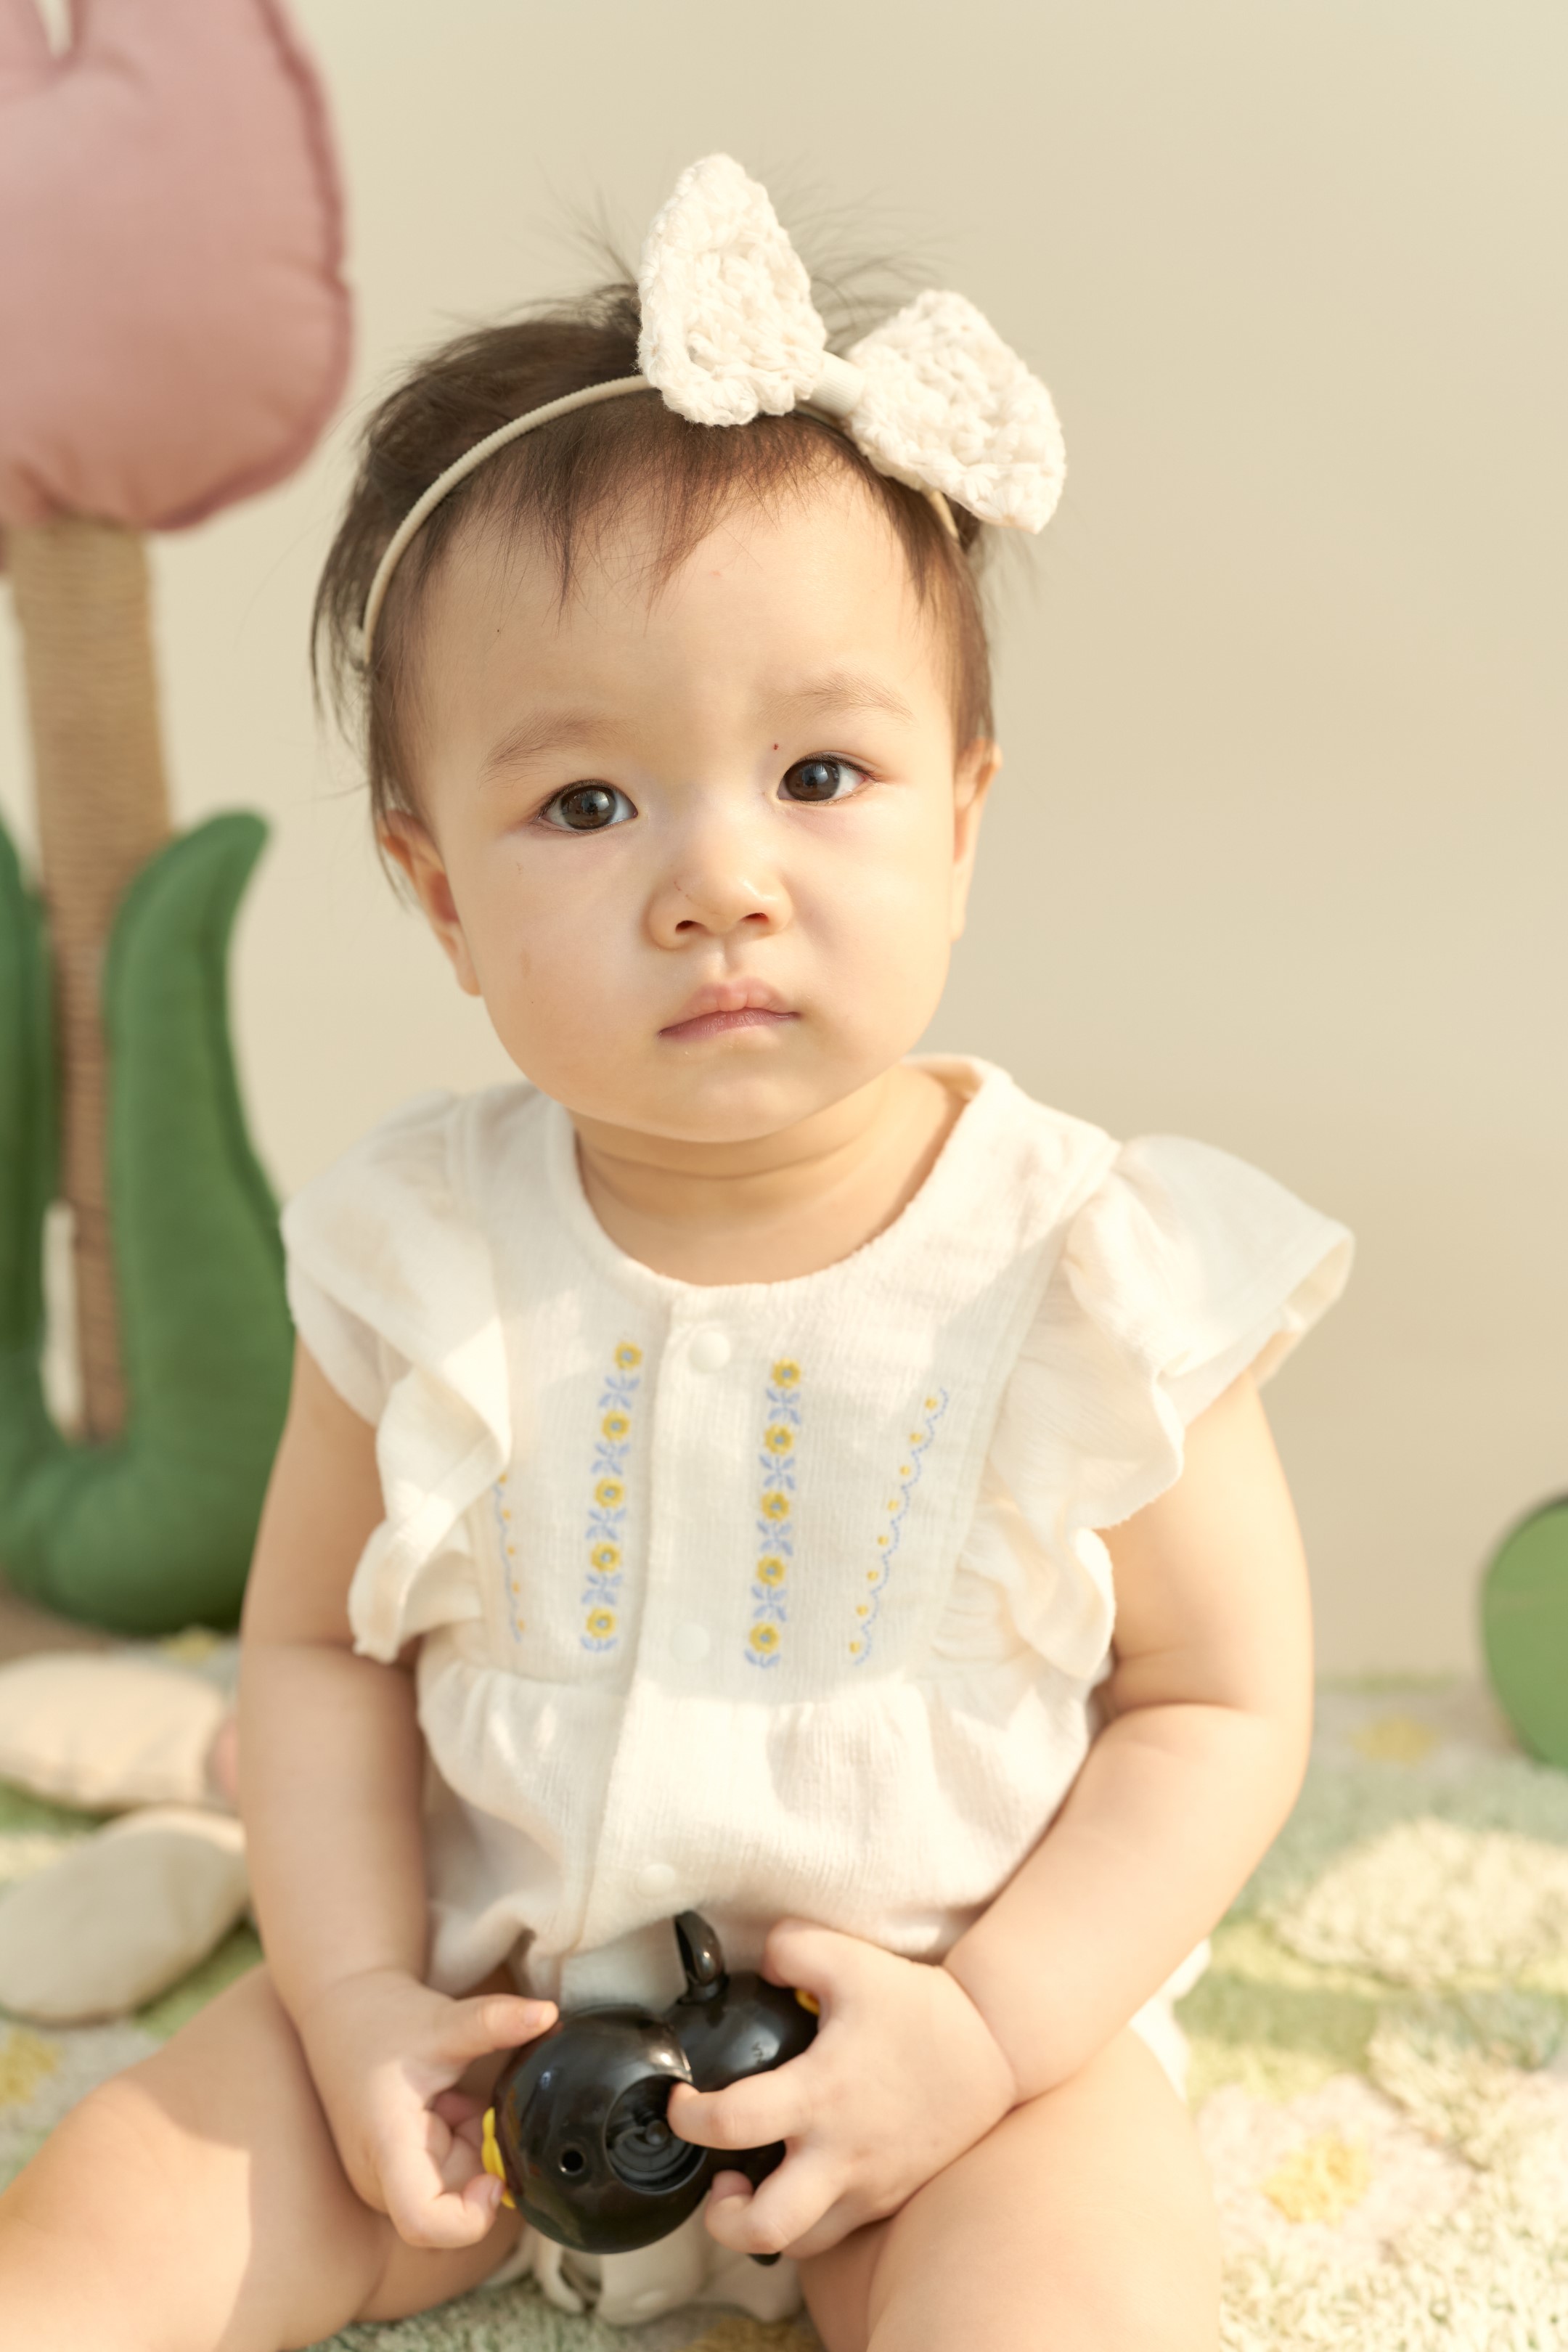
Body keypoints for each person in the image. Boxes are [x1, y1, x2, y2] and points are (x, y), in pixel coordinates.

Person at [0, 155, 1351, 2352]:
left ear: (962, 817)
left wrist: (995, 2033)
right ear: (440, 895)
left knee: (1075, 2284)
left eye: (820, 773)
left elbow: (1220, 1705)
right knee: (117, 2204)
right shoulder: (421, 1253)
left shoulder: (1083, 1265)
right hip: (483, 2032)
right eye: (588, 805)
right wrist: (351, 2002)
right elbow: (318, 1656)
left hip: (938, 2059)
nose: (720, 881)